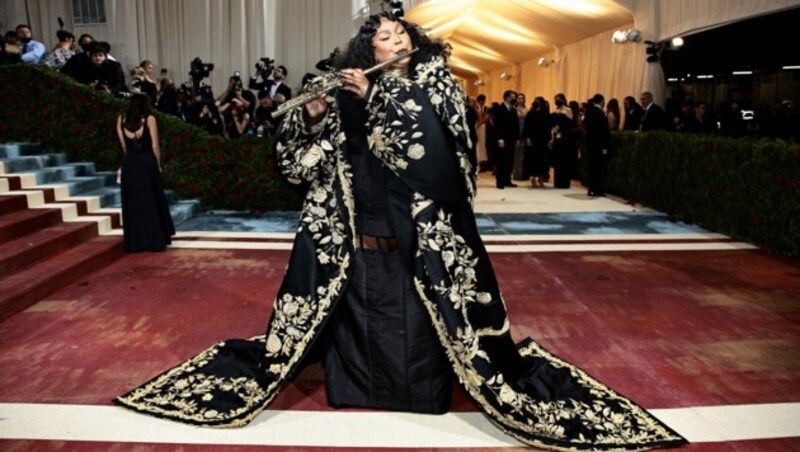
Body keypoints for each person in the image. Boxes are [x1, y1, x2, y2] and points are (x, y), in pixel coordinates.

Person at [115, 12, 685, 451]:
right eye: (384, 35)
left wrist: (380, 95)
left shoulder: (436, 85)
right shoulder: (343, 94)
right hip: (352, 250)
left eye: (400, 32)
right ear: (369, 48)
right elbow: (299, 169)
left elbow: (446, 164)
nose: (395, 38)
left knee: (427, 339)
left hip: (421, 248)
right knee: (347, 330)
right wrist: (312, 118)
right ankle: (354, 387)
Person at [115, 94, 175, 252]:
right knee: (151, 200)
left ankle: (136, 242)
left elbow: (124, 147)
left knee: (133, 203)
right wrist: (158, 165)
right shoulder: (150, 119)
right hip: (147, 163)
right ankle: (155, 239)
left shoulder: (121, 119)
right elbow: (155, 146)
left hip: (130, 164)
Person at [583, 93, 611, 197]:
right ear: (602, 101)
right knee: (599, 168)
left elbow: (585, 125)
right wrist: (605, 146)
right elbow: (604, 131)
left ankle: (591, 189)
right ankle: (598, 189)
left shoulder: (588, 111)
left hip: (590, 144)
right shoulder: (600, 113)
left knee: (592, 167)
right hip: (599, 145)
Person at [492, 90, 519, 188]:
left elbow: (516, 125)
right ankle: (500, 182)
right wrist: (500, 138)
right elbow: (497, 126)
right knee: (501, 160)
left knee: (509, 160)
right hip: (502, 139)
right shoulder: (499, 109)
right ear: (507, 97)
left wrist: (517, 138)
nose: (514, 99)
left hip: (511, 139)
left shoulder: (513, 109)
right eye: (513, 97)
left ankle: (508, 180)